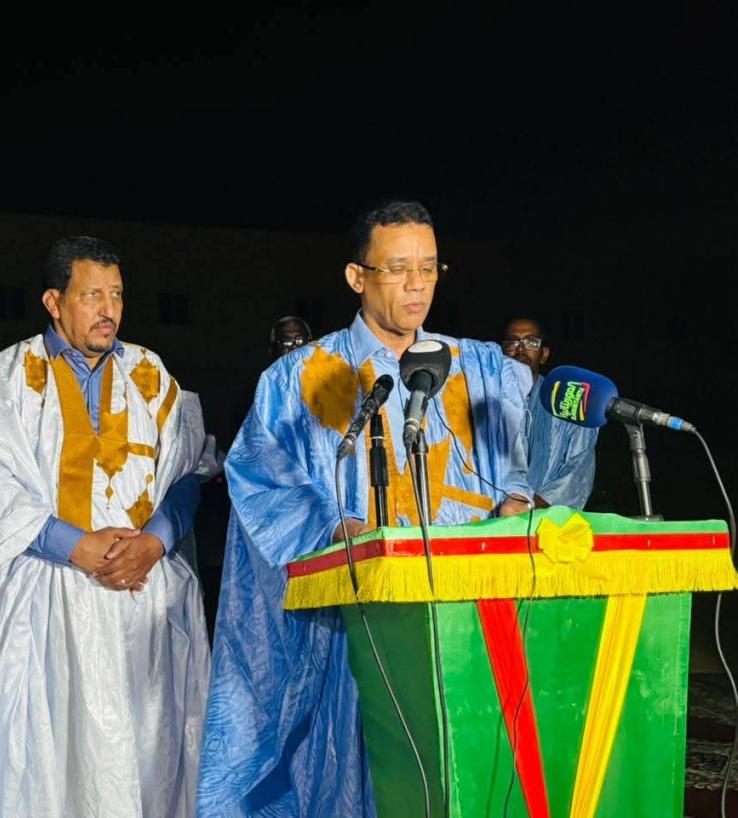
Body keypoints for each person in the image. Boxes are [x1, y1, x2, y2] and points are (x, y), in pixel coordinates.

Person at [198, 202, 533, 817]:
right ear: (357, 276)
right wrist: (335, 526)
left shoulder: (483, 369)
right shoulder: (303, 378)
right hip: (357, 632)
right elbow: (259, 472)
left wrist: (520, 497)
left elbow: (527, 459)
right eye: (397, 269)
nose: (417, 285)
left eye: (429, 268)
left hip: (467, 624)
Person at [0, 236, 210, 817]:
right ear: (54, 301)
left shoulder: (149, 373)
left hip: (142, 602)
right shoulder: (6, 378)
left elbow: (190, 469)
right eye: (92, 295)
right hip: (46, 601)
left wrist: (154, 542)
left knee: (146, 759)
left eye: (117, 295)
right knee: (44, 767)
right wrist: (74, 545)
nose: (109, 309)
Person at [501, 317, 597, 509]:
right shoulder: (486, 400)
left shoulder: (567, 398)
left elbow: (580, 463)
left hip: (548, 515)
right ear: (501, 352)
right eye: (513, 342)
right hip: (494, 517)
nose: (521, 349)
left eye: (531, 342)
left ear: (544, 354)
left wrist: (533, 505)